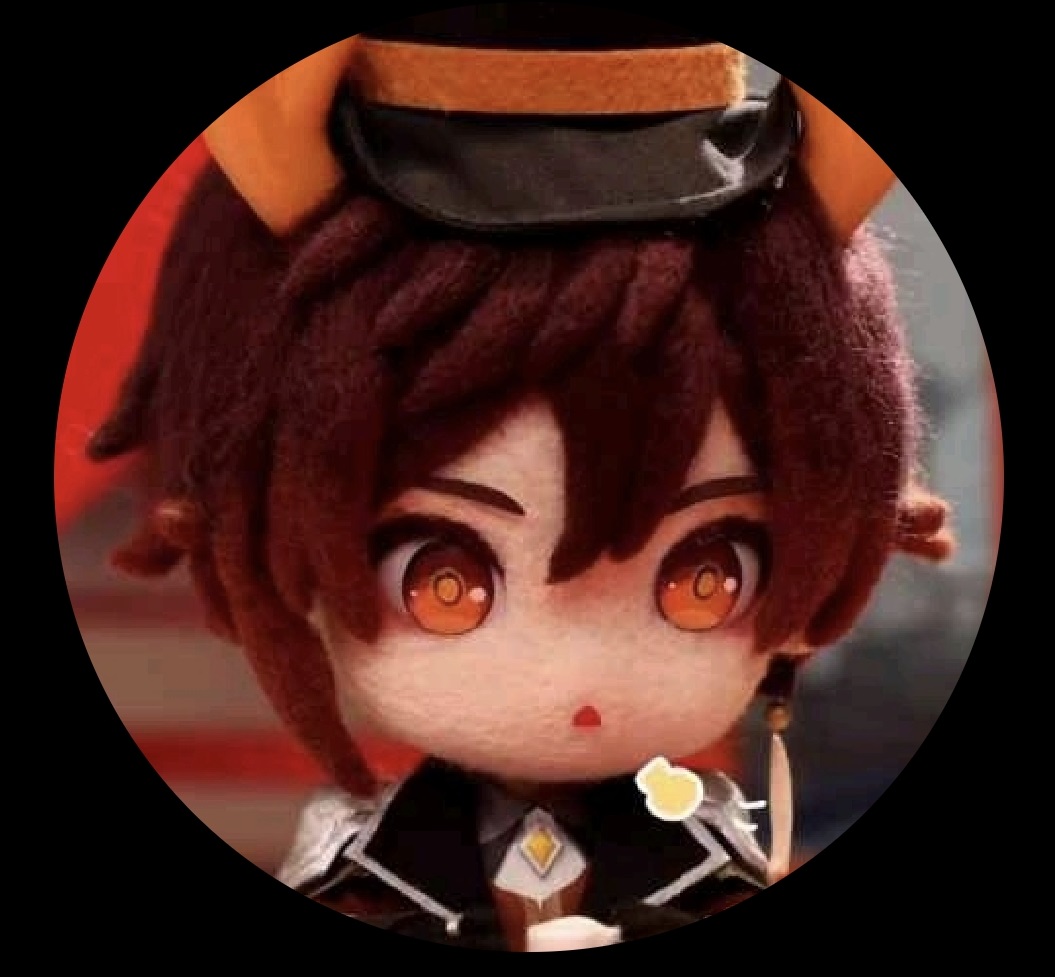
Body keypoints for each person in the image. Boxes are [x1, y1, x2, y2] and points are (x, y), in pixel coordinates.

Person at [86, 7, 951, 950]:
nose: (574, 676)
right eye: (443, 579)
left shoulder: (711, 861)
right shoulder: (364, 871)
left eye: (705, 575)